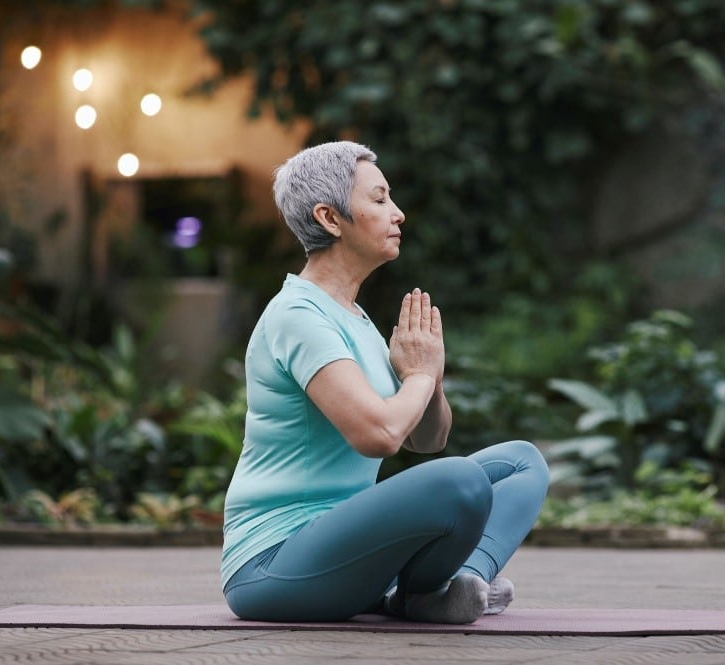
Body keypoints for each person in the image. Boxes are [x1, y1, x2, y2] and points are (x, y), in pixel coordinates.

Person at [221, 141, 549, 624]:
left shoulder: (353, 317)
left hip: (345, 553)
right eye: (379, 200)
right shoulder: (297, 315)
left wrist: (430, 376)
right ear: (330, 219)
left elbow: (427, 438)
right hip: (274, 563)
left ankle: (453, 586)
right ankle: (420, 593)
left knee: (521, 462)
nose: (397, 214)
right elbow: (378, 436)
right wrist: (416, 374)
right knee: (460, 480)